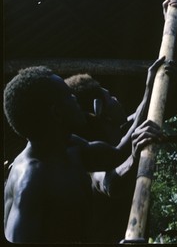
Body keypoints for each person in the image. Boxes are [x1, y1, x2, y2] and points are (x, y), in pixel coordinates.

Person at [3, 65, 162, 243]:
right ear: (57, 113)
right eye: (69, 96)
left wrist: (151, 90)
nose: (75, 99)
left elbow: (115, 155)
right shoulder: (31, 180)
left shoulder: (70, 145)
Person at [63, 57, 166, 243]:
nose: (116, 99)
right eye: (110, 97)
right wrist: (134, 158)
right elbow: (109, 182)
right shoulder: (89, 152)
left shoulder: (111, 135)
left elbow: (137, 118)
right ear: (99, 108)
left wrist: (153, 84)